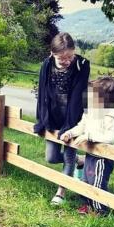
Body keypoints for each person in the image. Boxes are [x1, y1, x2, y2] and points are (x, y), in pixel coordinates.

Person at [34, 32, 90, 205]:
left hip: (72, 118)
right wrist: (42, 120)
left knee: (67, 156)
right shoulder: (47, 64)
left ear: (74, 51)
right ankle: (80, 161)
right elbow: (43, 93)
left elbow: (77, 98)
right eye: (62, 59)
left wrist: (70, 127)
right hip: (53, 117)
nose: (66, 61)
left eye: (70, 57)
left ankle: (61, 193)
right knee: (50, 157)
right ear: (52, 54)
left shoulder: (82, 65)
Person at [60, 76, 114, 215]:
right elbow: (81, 126)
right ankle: (87, 204)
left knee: (97, 182)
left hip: (103, 157)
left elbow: (110, 138)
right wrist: (70, 133)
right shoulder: (92, 111)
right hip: (91, 154)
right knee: (86, 180)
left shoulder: (112, 116)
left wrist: (88, 137)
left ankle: (100, 210)